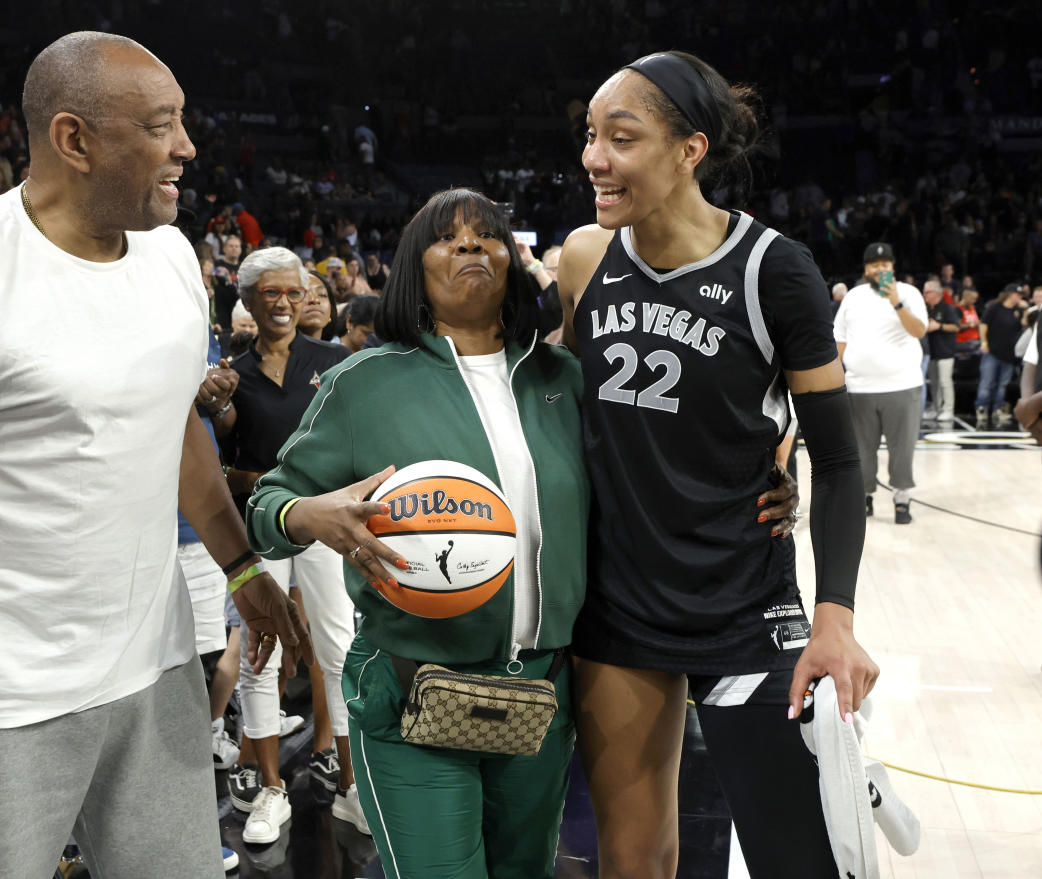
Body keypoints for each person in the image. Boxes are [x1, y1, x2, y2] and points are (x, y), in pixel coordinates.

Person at [0, 31, 309, 879]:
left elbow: (175, 435)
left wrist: (241, 567)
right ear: (74, 139)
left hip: (148, 669)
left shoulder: (169, 257)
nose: (188, 148)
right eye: (162, 125)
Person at [248, 189, 802, 879]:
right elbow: (269, 504)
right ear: (412, 268)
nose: (473, 247)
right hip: (413, 690)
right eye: (449, 239)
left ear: (514, 265)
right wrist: (311, 515)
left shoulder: (565, 378)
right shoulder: (363, 384)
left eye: (489, 237)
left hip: (537, 697)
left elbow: (656, 465)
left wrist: (767, 479)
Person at [559, 52, 875, 878]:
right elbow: (544, 399)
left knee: (798, 860)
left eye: (620, 138)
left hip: (744, 606)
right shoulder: (583, 260)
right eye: (591, 136)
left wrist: (835, 616)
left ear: (688, 149)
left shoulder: (775, 269)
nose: (595, 157)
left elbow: (842, 459)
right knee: (631, 863)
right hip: (620, 603)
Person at [211, 247, 364, 843]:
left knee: (339, 649)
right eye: (268, 293)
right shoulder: (232, 374)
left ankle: (351, 786)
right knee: (258, 655)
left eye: (291, 292)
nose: (281, 302)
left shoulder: (335, 360)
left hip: (323, 523)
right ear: (246, 301)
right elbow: (224, 452)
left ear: (306, 298)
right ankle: (270, 788)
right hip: (259, 525)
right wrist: (217, 405)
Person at [833, 242, 926, 523]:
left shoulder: (908, 293)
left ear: (893, 267)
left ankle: (901, 498)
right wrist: (835, 378)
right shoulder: (853, 297)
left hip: (903, 384)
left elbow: (919, 330)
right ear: (866, 269)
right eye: (875, 265)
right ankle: (864, 497)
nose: (880, 269)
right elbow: (840, 338)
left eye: (885, 265)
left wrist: (896, 302)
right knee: (861, 448)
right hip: (859, 386)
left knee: (902, 447)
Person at [976, 283, 1026, 429]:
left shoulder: (1018, 311)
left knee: (1002, 385)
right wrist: (984, 342)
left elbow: (1024, 324)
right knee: (987, 382)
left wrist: (1024, 309)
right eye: (1018, 294)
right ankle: (982, 408)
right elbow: (983, 324)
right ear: (1010, 294)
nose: (1020, 297)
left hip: (1009, 354)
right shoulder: (994, 308)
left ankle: (998, 408)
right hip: (992, 352)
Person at [923, 279, 960, 423]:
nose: (924, 294)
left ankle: (948, 410)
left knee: (945, 382)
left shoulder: (947, 308)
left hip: (946, 352)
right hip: (931, 352)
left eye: (927, 292)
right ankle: (937, 408)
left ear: (936, 293)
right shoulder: (927, 309)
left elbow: (956, 327)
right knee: (934, 383)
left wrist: (939, 326)